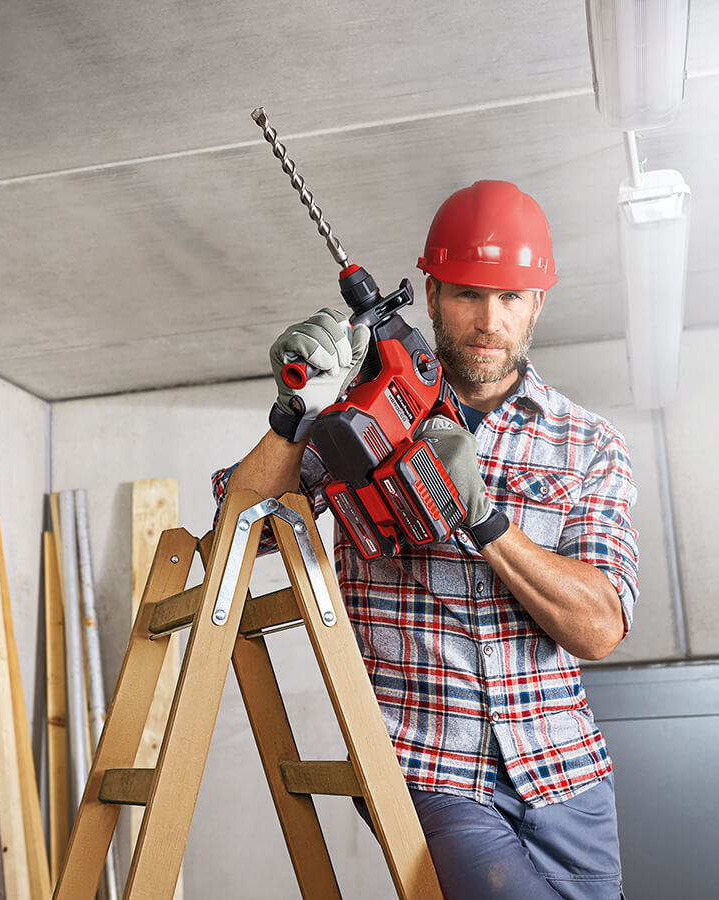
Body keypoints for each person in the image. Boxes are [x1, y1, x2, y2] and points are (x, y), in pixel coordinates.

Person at [212, 180, 638, 900]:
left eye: (511, 297)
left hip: (567, 774)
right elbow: (237, 531)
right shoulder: (363, 415)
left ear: (539, 302)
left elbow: (598, 629)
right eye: (469, 293)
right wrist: (296, 414)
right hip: (427, 765)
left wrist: (484, 519)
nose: (488, 319)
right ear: (432, 293)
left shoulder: (587, 443)